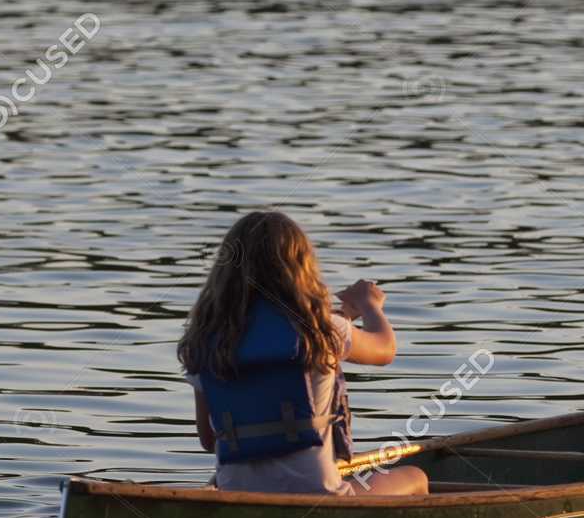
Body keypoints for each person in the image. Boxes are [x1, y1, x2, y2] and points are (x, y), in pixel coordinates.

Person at [177, 211, 428, 496]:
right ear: (300, 267)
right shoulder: (322, 330)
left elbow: (210, 440)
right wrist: (369, 305)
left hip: (237, 493)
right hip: (321, 497)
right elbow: (385, 349)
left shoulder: (205, 340)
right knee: (415, 476)